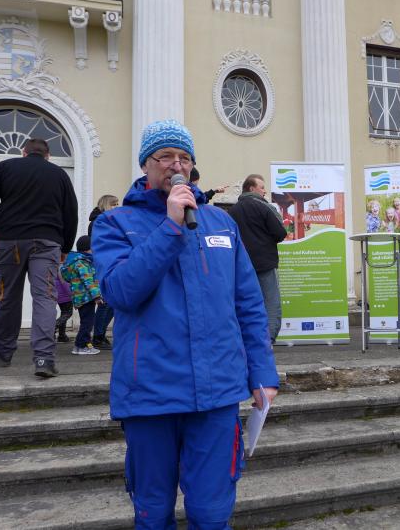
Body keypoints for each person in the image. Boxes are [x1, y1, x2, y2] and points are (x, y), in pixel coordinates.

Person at [92, 119, 279, 529]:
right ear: (146, 164)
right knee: (153, 512)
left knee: (212, 514)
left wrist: (263, 373)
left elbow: (248, 304)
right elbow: (121, 292)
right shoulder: (115, 223)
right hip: (150, 393)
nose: (176, 165)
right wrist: (170, 227)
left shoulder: (221, 223)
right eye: (165, 157)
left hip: (217, 394)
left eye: (184, 157)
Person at [0, 137, 78, 378]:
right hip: (47, 241)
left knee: (7, 296)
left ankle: (4, 351)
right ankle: (44, 359)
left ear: (24, 152)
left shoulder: (5, 167)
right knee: (45, 297)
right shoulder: (59, 174)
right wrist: (66, 246)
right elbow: (70, 212)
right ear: (48, 155)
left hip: (9, 240)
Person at [228, 174, 288, 344]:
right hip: (265, 264)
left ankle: (247, 340)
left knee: (247, 303)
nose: (264, 191)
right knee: (270, 303)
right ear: (252, 188)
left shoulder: (232, 211)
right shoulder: (264, 207)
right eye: (262, 187)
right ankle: (268, 340)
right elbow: (280, 233)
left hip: (242, 265)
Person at [60, 235, 102, 355]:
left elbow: (67, 278)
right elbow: (88, 281)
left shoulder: (76, 261)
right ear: (88, 249)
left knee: (86, 322)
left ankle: (82, 345)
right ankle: (81, 345)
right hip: (86, 298)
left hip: (81, 297)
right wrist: (97, 296)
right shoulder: (82, 262)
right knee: (87, 323)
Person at [88, 194, 119, 351]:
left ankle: (100, 334)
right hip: (103, 263)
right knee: (105, 302)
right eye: (114, 204)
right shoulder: (99, 222)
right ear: (106, 205)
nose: (117, 207)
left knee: (111, 302)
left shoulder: (108, 221)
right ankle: (98, 336)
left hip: (111, 262)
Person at [54, 273, 73, 343]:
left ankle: (62, 336)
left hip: (58, 293)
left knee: (64, 313)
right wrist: (70, 293)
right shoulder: (61, 268)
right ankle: (54, 326)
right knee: (68, 313)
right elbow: (63, 281)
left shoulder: (55, 267)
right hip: (65, 293)